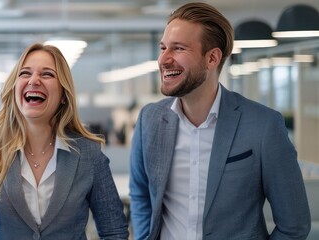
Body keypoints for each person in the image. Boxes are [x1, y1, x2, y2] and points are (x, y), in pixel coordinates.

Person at [129, 2, 311, 240]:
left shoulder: (264, 126)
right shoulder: (149, 120)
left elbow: (294, 225)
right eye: (163, 48)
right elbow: (141, 194)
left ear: (212, 58)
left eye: (178, 48)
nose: (164, 59)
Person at [0, 43, 129, 239]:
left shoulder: (89, 154)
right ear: (14, 87)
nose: (34, 80)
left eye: (47, 74)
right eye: (25, 73)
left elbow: (114, 231)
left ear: (63, 94)